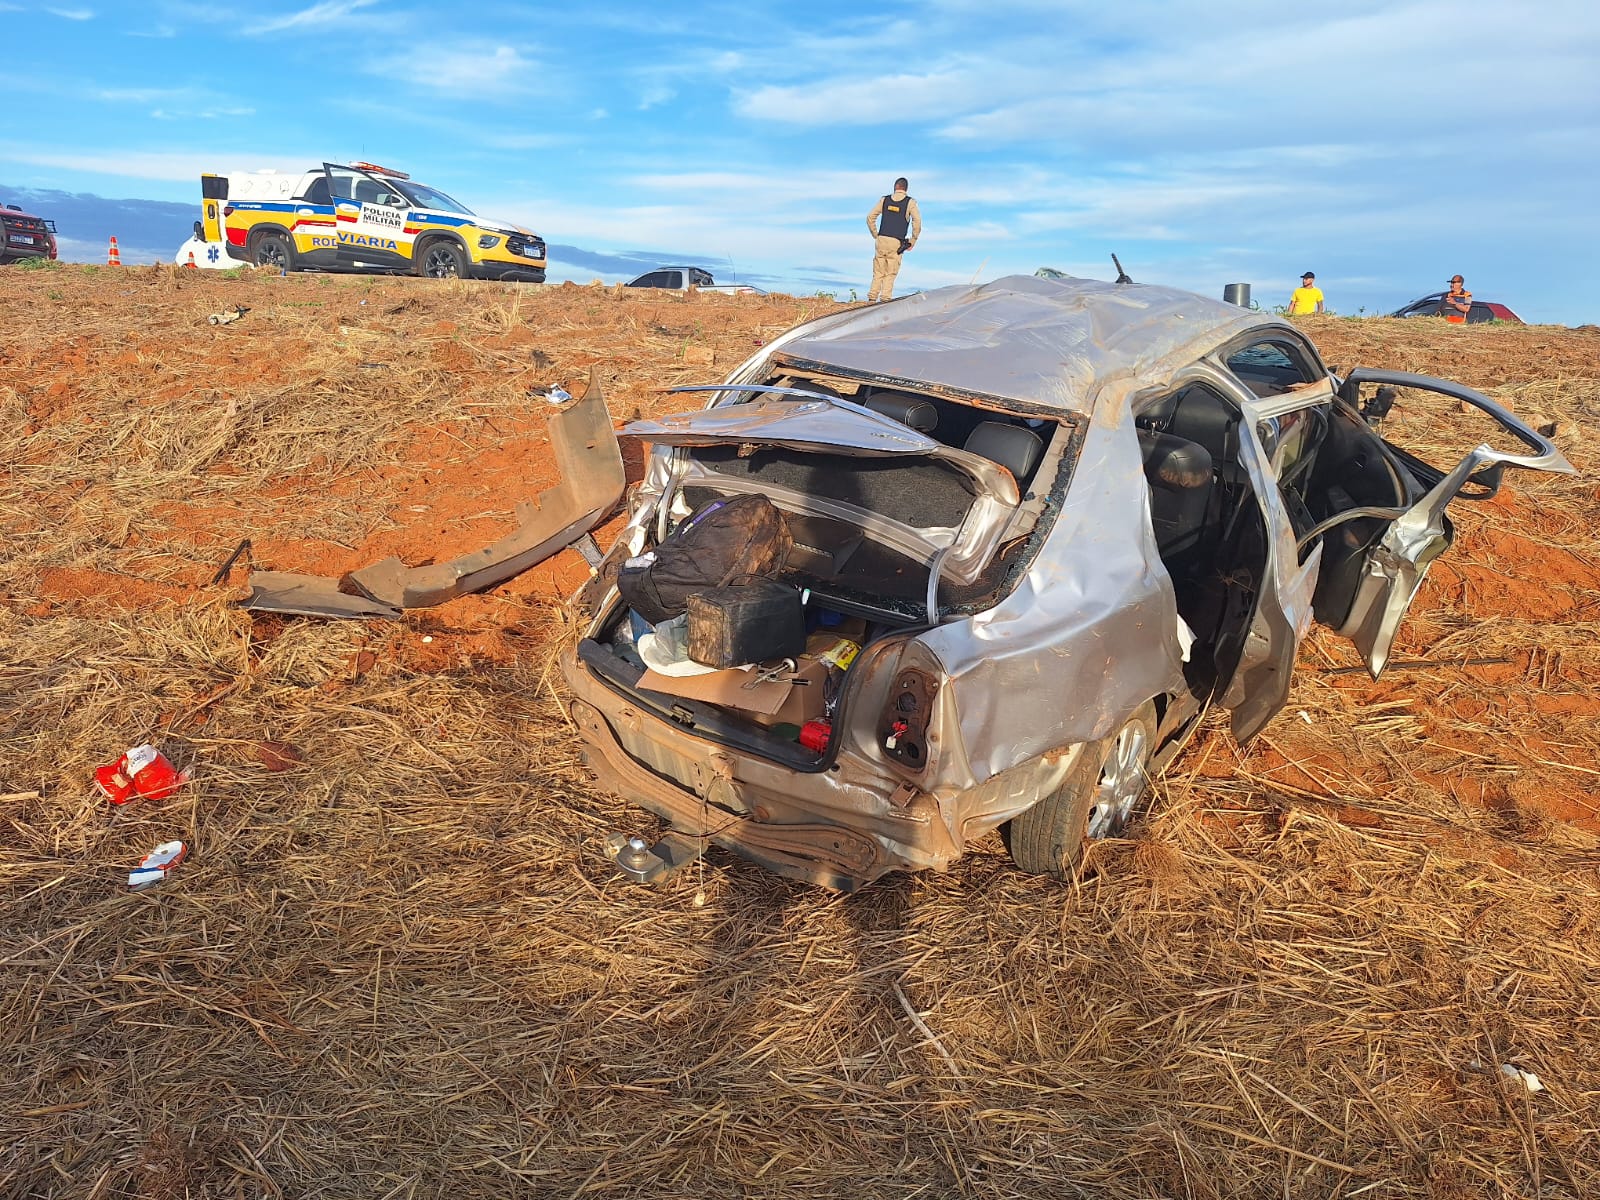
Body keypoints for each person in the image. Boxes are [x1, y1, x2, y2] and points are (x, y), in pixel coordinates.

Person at [866, 178, 921, 302]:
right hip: (896, 242)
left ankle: (872, 298)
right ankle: (885, 299)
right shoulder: (910, 202)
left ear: (895, 187)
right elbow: (917, 222)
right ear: (906, 189)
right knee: (890, 273)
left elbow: (870, 217)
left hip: (881, 239)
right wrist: (913, 240)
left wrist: (876, 234)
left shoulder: (884, 200)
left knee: (878, 271)